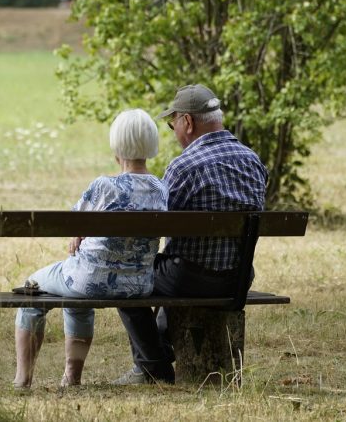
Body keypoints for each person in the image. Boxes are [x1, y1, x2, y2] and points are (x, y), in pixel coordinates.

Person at [112, 84, 268, 385]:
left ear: (187, 122)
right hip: (238, 278)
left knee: (124, 275)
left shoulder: (183, 167)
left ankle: (153, 367)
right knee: (174, 267)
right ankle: (156, 356)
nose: (174, 132)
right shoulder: (253, 161)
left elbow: (156, 226)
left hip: (190, 279)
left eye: (173, 125)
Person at [13, 108, 168, 388]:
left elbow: (72, 223)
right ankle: (71, 377)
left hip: (89, 280)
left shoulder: (104, 186)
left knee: (31, 288)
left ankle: (22, 379)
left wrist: (79, 233)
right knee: (74, 294)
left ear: (116, 145)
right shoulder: (161, 188)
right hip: (138, 285)